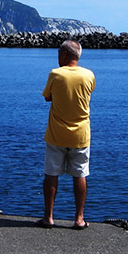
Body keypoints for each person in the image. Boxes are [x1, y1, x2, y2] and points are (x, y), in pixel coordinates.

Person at [38, 40, 95, 229]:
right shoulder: (89, 75)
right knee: (80, 175)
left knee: (51, 175)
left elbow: (48, 96)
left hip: (56, 135)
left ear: (63, 55)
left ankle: (49, 217)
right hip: (80, 135)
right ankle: (79, 219)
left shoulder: (56, 74)